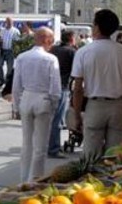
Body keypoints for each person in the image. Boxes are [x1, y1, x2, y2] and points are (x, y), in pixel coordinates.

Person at [71, 9, 122, 156]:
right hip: (119, 104)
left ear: (97, 27)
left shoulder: (83, 52)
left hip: (94, 105)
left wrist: (77, 115)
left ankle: (91, 178)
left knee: (91, 155)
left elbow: (78, 88)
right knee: (115, 155)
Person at [12, 27, 60, 184]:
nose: (51, 44)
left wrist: (16, 104)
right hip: (43, 99)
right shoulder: (51, 59)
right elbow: (55, 86)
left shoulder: (22, 57)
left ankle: (23, 179)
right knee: (40, 146)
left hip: (26, 98)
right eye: (51, 41)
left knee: (27, 143)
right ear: (47, 40)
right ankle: (35, 180)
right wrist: (53, 104)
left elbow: (16, 84)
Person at [47, 30, 77, 159]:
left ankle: (46, 145)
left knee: (49, 118)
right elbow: (76, 72)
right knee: (57, 119)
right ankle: (53, 148)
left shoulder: (53, 49)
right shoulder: (71, 52)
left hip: (49, 86)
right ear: (71, 39)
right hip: (63, 87)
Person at [0, 17, 21, 88]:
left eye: (10, 22)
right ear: (5, 22)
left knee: (9, 69)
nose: (9, 23)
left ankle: (7, 82)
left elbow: (18, 41)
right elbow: (0, 39)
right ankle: (1, 80)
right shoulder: (2, 30)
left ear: (12, 23)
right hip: (2, 50)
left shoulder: (15, 31)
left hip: (11, 51)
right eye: (7, 22)